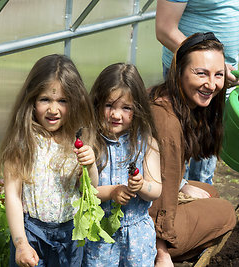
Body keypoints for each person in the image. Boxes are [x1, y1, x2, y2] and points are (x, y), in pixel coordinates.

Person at [0, 54, 98, 267]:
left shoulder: (77, 140)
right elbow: (13, 197)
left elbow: (89, 191)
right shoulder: (23, 142)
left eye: (62, 101)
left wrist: (91, 167)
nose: (53, 109)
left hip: (70, 235)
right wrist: (21, 243)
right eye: (45, 99)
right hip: (31, 234)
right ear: (32, 100)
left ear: (75, 102)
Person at [149, 32, 237, 266]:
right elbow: (163, 188)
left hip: (147, 195)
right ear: (179, 72)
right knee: (226, 211)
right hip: (145, 223)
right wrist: (161, 252)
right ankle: (161, 249)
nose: (211, 84)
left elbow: (163, 174)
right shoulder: (167, 121)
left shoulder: (169, 99)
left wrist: (183, 185)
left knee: (209, 192)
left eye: (218, 74)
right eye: (201, 73)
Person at [155, 0, 239, 185]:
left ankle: (202, 194)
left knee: (206, 146)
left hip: (222, 75)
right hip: (190, 74)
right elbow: (165, 29)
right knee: (177, 145)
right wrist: (212, 65)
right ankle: (174, 200)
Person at [82, 63, 162, 266]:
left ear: (138, 110)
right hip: (101, 235)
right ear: (97, 103)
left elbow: (156, 190)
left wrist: (141, 185)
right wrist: (112, 192)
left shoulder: (146, 142)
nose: (116, 115)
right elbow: (82, 191)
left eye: (126, 108)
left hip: (137, 235)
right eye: (109, 106)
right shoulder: (90, 142)